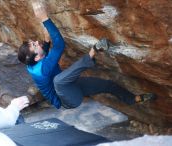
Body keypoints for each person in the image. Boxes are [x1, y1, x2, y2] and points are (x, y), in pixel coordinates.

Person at [18, 2, 155, 109]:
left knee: (108, 85)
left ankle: (132, 99)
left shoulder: (34, 62)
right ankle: (94, 50)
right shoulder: (41, 70)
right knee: (58, 81)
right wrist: (44, 18)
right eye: (35, 45)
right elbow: (59, 45)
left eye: (34, 42)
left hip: (71, 84)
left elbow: (45, 57)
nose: (36, 42)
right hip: (68, 100)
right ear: (36, 57)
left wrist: (46, 42)